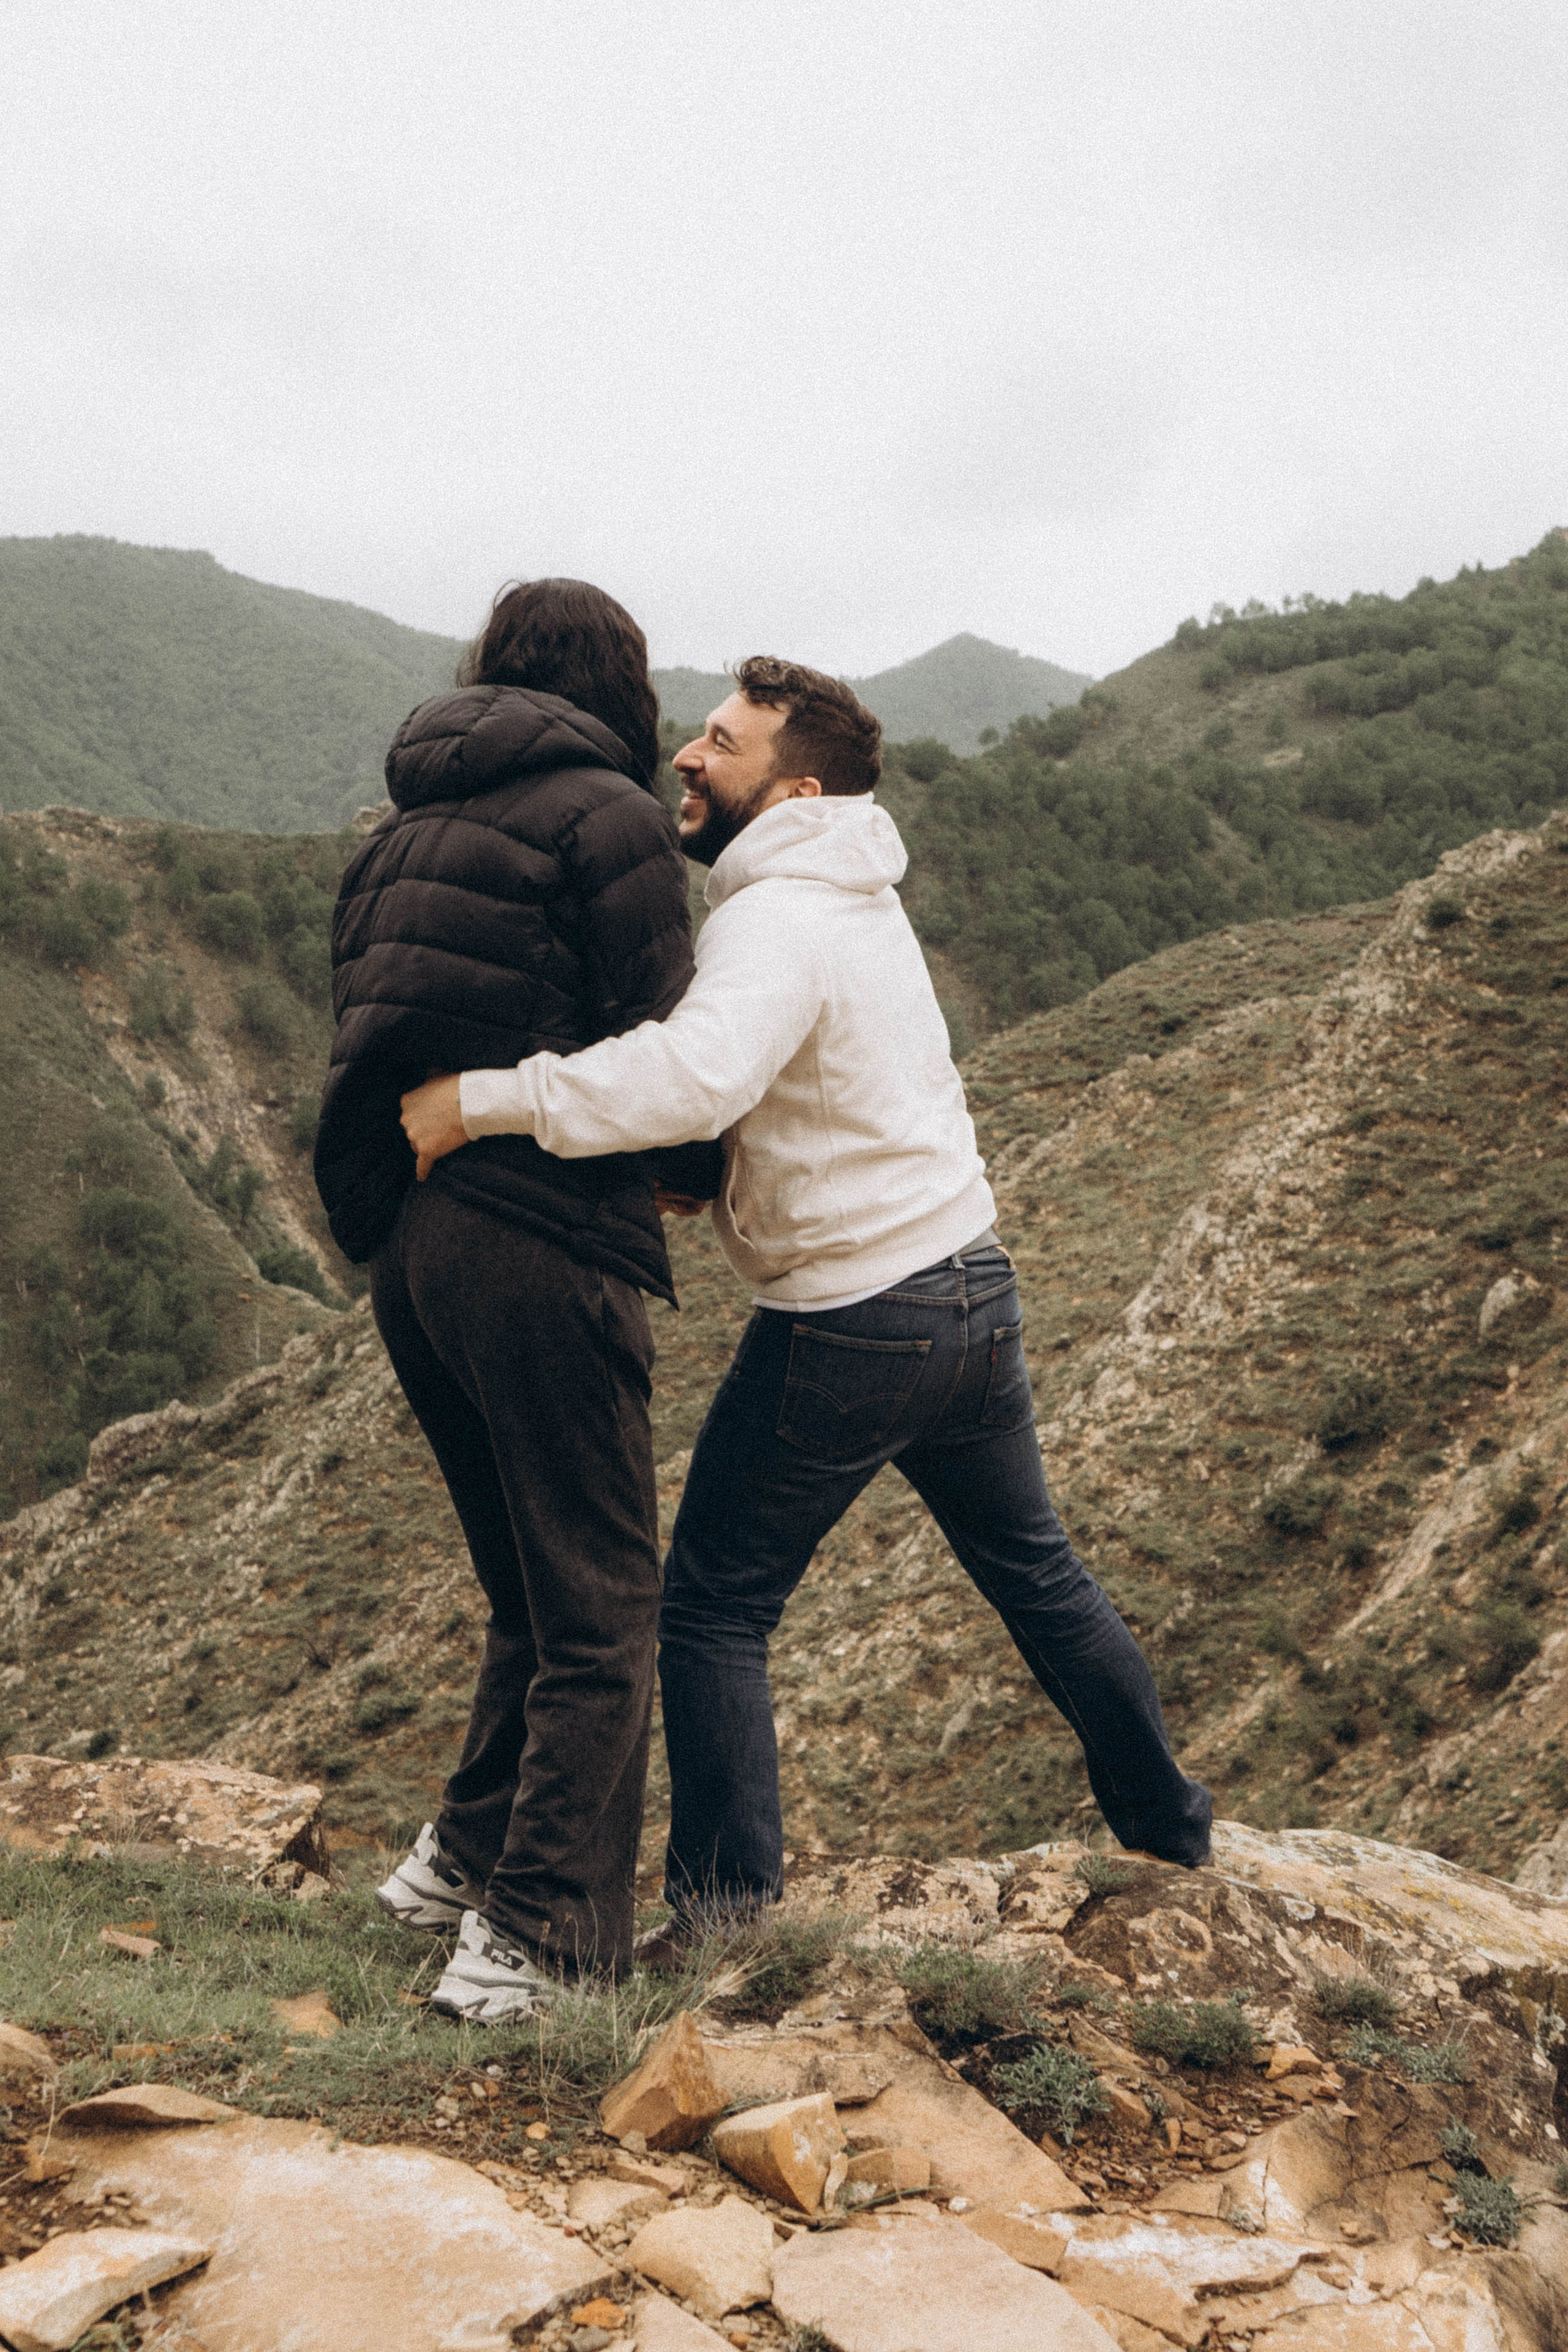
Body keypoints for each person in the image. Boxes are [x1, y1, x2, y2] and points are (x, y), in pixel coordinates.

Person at [401, 656, 1212, 2000]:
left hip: (855, 1318)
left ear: (793, 790)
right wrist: (721, 1178)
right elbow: (809, 1092)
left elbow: (693, 1075)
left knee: (709, 1607)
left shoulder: (775, 916)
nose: (688, 754)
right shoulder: (854, 895)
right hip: (968, 1284)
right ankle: (1171, 1831)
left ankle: (725, 1922)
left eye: (722, 743)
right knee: (1038, 1576)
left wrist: (482, 1100)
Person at [315, 577, 720, 2019]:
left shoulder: (398, 834)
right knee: (604, 1602)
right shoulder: (607, 816)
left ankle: (459, 1865)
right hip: (544, 1238)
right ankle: (539, 1938)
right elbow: (661, 1030)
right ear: (620, 684)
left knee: (529, 1590)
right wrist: (689, 1172)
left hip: (416, 1249)